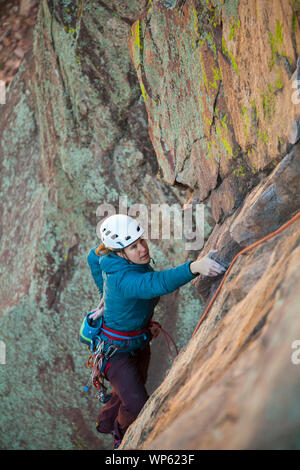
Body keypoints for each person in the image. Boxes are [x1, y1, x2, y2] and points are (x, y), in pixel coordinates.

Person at [87, 214, 225, 449]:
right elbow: (156, 283)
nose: (142, 249)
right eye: (133, 247)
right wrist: (194, 267)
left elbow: (93, 256)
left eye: (141, 241)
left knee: (129, 388)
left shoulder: (113, 260)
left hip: (137, 342)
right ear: (119, 253)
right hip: (117, 355)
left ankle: (109, 421)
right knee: (138, 405)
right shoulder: (123, 278)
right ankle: (121, 440)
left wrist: (105, 298)